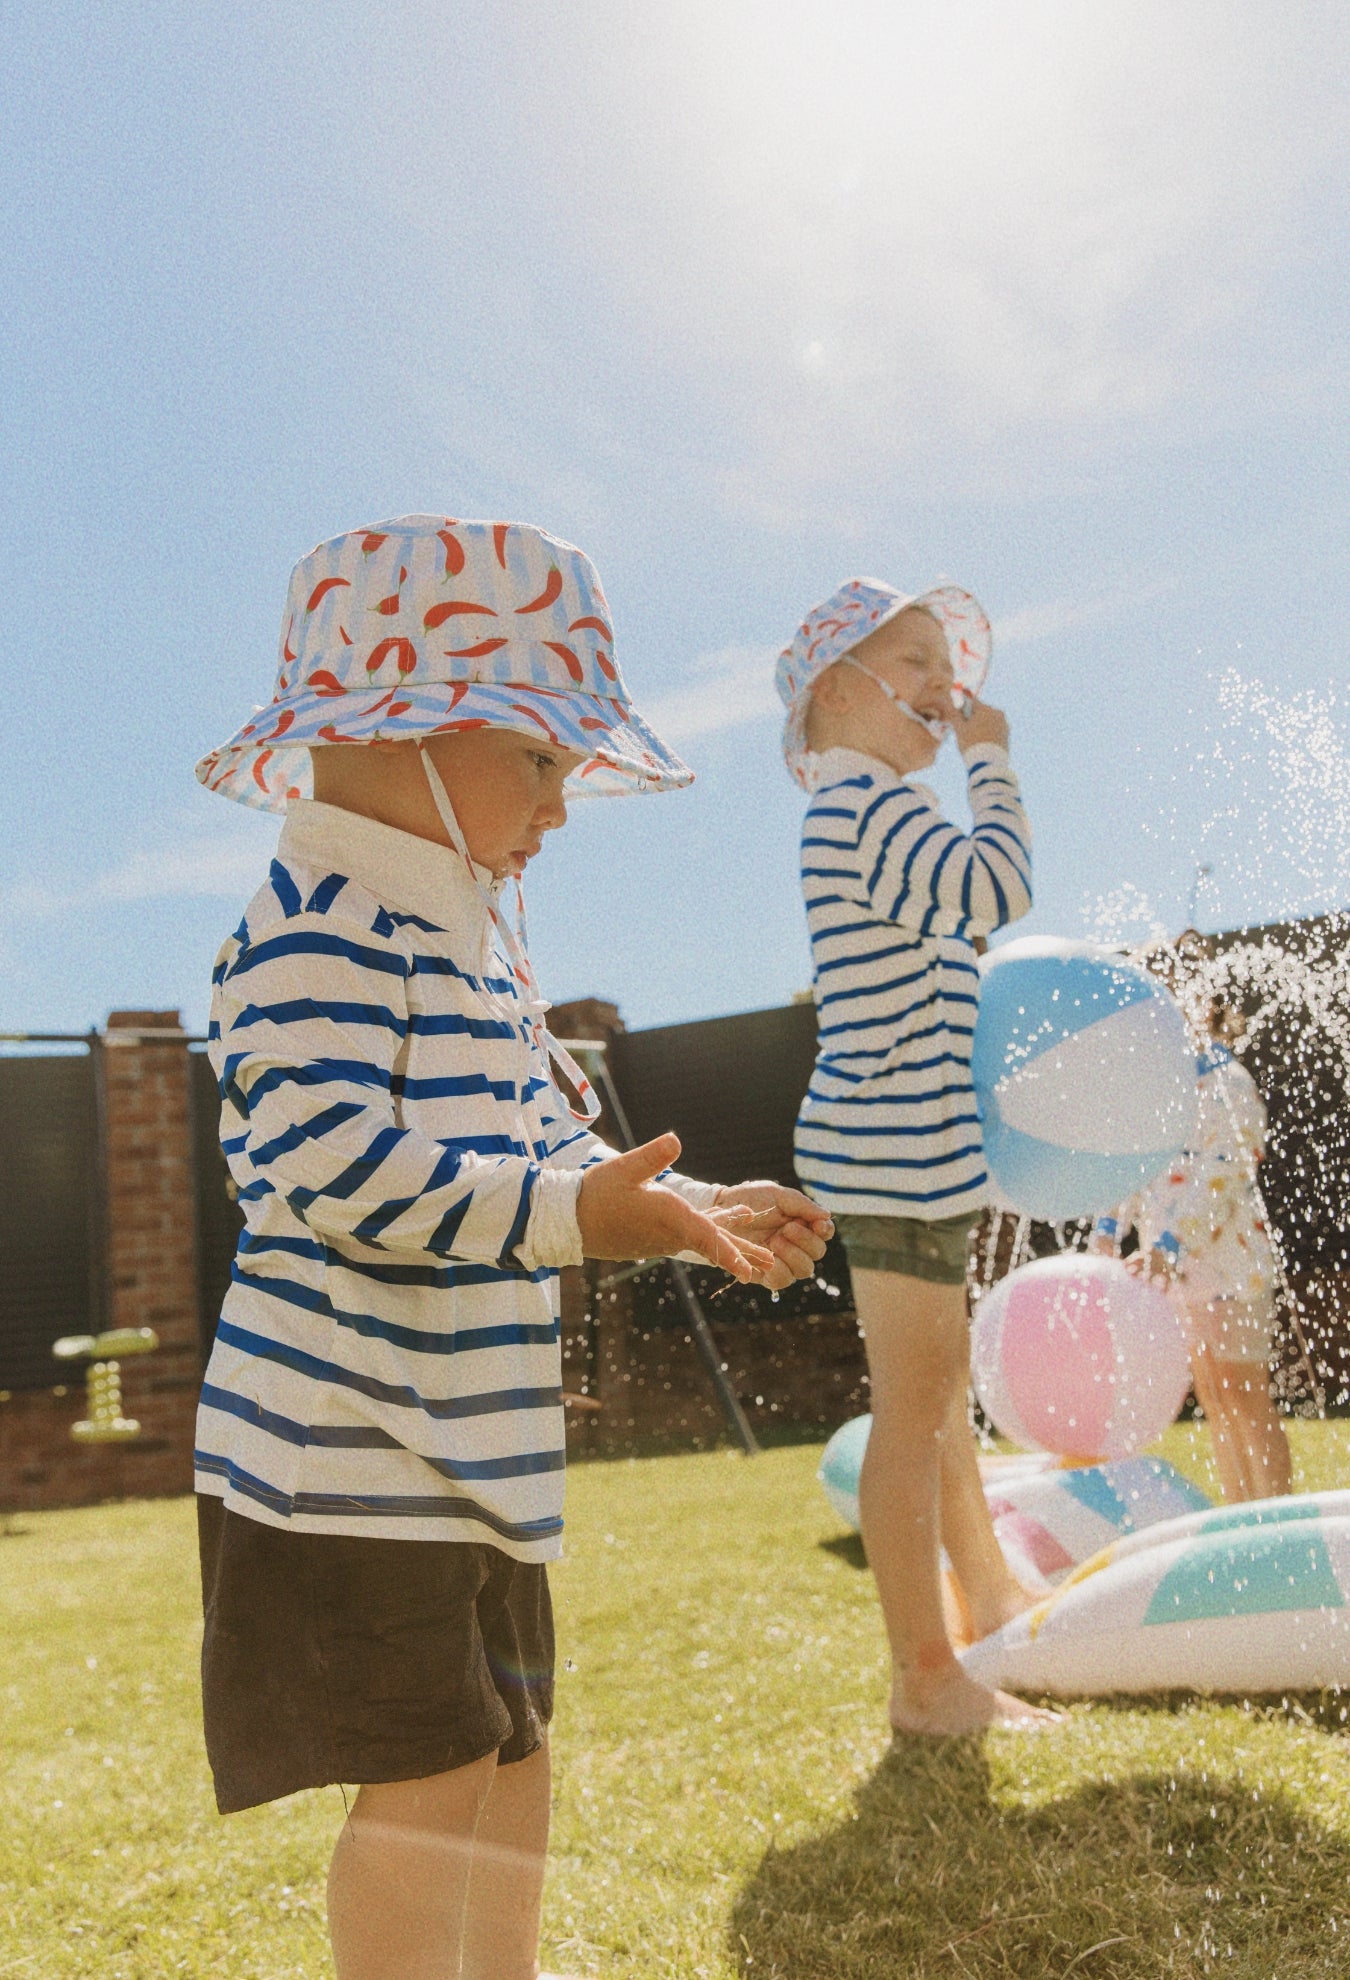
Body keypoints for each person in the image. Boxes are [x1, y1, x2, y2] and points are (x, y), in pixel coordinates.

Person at [193, 515, 834, 1980]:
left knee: (510, 1746)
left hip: (471, 1447)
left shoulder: (467, 946)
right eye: (539, 759)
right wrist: (572, 1215)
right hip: (346, 1457)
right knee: (426, 1774)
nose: (562, 803)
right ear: (398, 730)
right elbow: (337, 1169)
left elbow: (548, 1153)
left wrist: (680, 1207)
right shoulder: (314, 930)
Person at [775, 577, 1056, 1738]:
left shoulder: (871, 810)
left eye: (952, 665)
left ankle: (985, 1597)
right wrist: (992, 761)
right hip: (894, 1148)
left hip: (907, 1146)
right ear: (839, 691)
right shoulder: (867, 809)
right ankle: (925, 1679)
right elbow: (1000, 888)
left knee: (935, 1403)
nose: (947, 685)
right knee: (914, 1409)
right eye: (917, 661)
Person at [1092, 997, 1293, 1503]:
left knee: (1245, 1395)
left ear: (1206, 1011)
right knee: (1215, 1396)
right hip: (1176, 1271)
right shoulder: (1160, 1086)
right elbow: (1131, 1163)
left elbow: (1224, 1173)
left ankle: (1275, 1515)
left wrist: (1169, 1245)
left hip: (1232, 1266)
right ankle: (1240, 1514)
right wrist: (1107, 1232)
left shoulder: (1230, 1083)